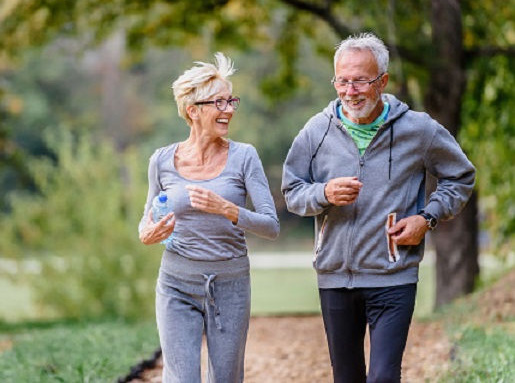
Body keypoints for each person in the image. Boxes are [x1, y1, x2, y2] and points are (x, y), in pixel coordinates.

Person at [281, 33, 475, 382]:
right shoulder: (316, 131)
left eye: (361, 81)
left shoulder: (419, 130)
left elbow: (460, 177)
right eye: (342, 81)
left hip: (393, 275)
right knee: (347, 377)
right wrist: (323, 193)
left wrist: (426, 218)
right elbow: (292, 191)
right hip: (335, 277)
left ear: (382, 81)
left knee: (384, 377)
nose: (350, 91)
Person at [138, 52, 280, 382]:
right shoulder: (161, 161)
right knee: (181, 378)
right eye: (219, 102)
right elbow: (147, 218)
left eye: (231, 101)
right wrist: (147, 233)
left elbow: (271, 226)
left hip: (230, 283)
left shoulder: (245, 157)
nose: (229, 109)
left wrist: (227, 209)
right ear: (193, 110)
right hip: (176, 281)